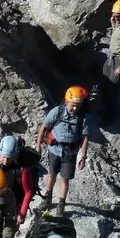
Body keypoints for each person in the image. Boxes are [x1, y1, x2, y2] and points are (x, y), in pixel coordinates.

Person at [35, 86, 91, 218]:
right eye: (73, 105)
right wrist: (38, 145)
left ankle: (61, 204)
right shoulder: (57, 112)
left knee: (65, 179)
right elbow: (44, 127)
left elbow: (85, 138)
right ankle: (47, 198)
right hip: (54, 149)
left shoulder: (82, 117)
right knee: (52, 174)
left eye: (78, 105)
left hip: (70, 153)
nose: (75, 108)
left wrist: (83, 157)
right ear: (66, 102)